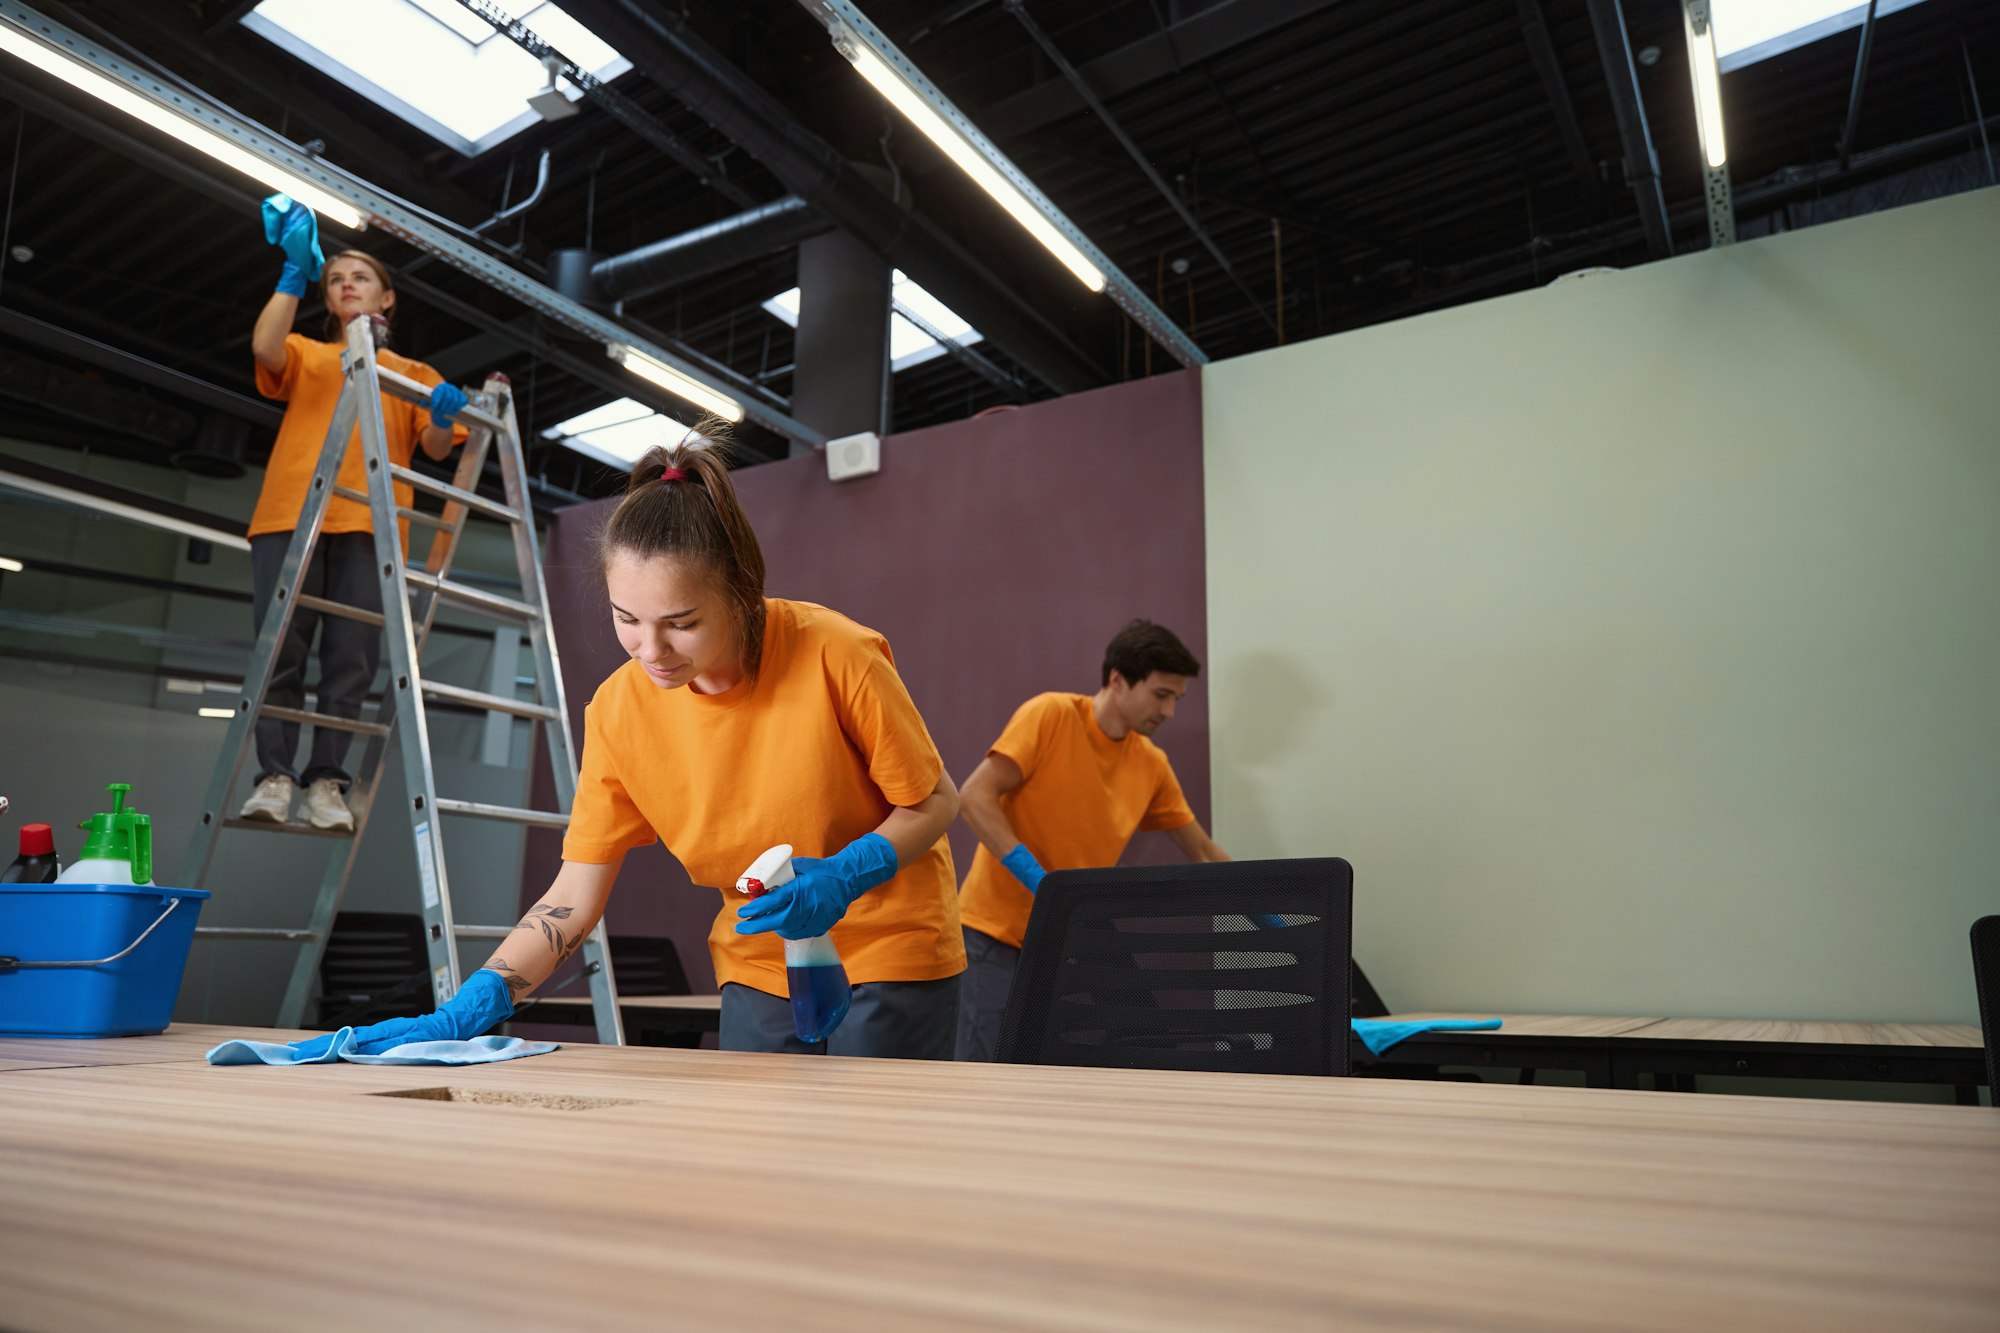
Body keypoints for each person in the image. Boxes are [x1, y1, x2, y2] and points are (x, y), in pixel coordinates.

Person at [287, 429, 966, 1061]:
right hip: (757, 964)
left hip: (891, 953)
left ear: (740, 593)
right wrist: (477, 999)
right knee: (755, 1170)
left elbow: (935, 798)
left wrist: (850, 873)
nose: (652, 650)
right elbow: (576, 894)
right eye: (627, 619)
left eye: (682, 622)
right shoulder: (617, 710)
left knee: (867, 1169)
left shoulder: (834, 652)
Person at [237, 196, 470, 832]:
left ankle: (326, 783)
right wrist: (292, 271)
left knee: (351, 660)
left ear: (386, 299)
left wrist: (444, 414)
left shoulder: (413, 374)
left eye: (360, 277)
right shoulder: (310, 354)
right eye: (335, 278)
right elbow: (264, 344)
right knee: (281, 652)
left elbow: (435, 448)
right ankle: (276, 777)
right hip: (290, 516)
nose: (346, 284)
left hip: (372, 526)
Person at [952, 619, 1230, 1061]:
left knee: (1061, 1063)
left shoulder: (1151, 763)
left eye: (1177, 699)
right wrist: (1036, 878)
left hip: (1064, 938)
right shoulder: (1051, 715)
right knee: (986, 1068)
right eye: (1161, 695)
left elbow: (1200, 850)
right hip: (993, 936)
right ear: (1118, 680)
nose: (1171, 712)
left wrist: (1272, 909)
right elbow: (973, 796)